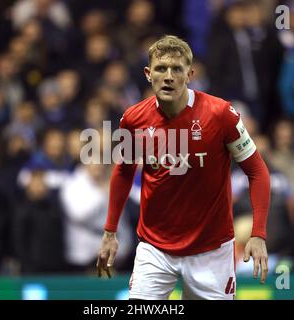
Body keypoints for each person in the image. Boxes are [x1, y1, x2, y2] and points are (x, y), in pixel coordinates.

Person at [97, 35, 271, 300]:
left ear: (189, 74)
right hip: (154, 248)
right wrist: (110, 231)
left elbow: (257, 171)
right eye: (160, 68)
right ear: (147, 73)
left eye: (177, 69)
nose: (168, 76)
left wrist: (258, 234)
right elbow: (123, 172)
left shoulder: (220, 114)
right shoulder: (133, 120)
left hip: (211, 251)